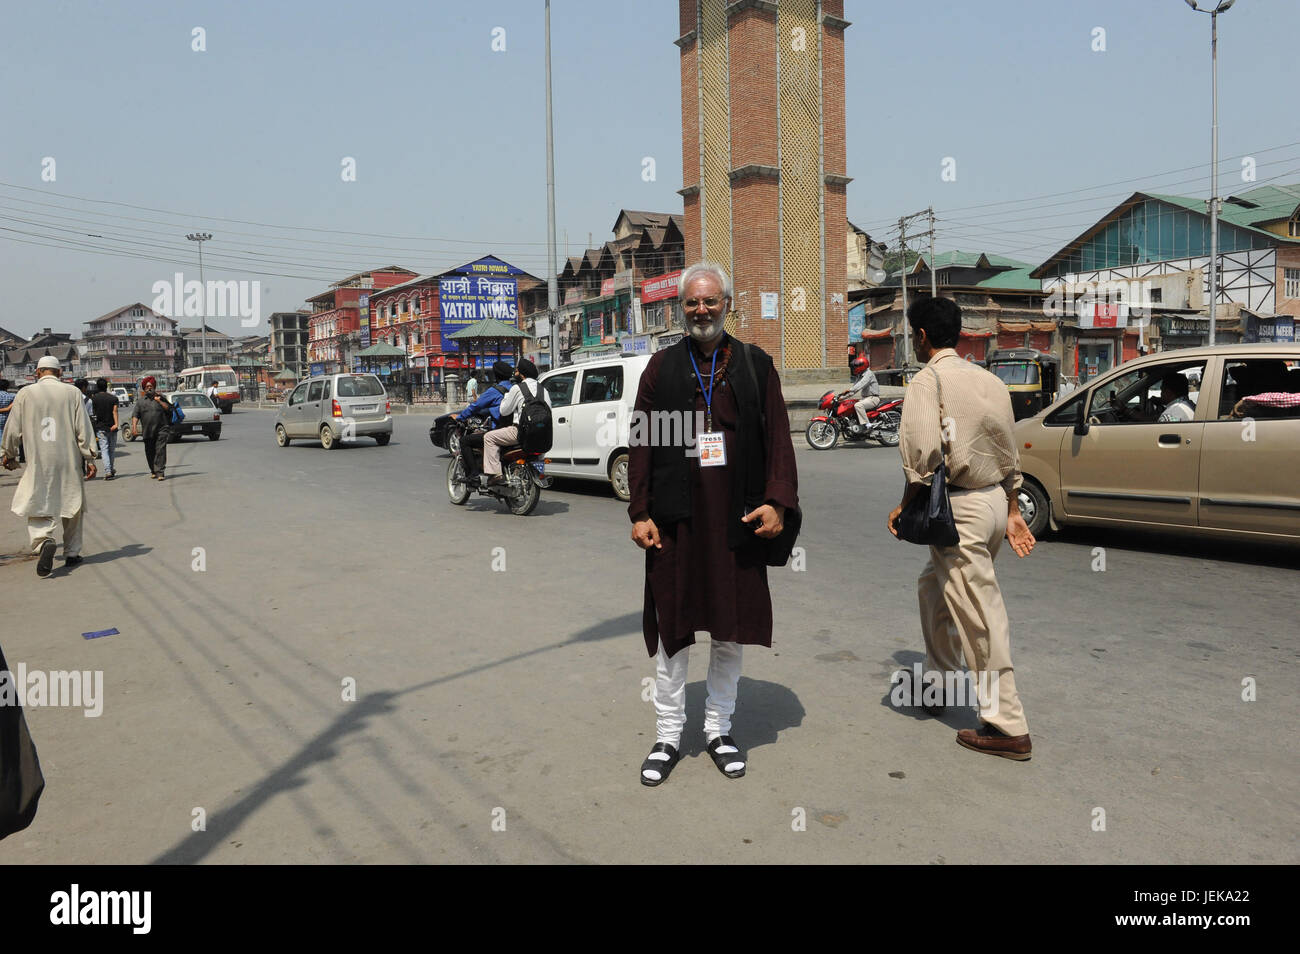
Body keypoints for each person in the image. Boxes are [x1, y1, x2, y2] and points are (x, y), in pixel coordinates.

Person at [628, 261, 798, 786]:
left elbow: (779, 441)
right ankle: (668, 735)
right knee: (673, 632)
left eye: (711, 301)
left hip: (735, 522)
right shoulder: (661, 368)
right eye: (691, 303)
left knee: (730, 631)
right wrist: (640, 511)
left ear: (728, 303)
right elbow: (640, 443)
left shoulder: (755, 365)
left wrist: (776, 501)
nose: (701, 310)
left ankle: (720, 728)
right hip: (677, 526)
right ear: (680, 308)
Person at [888, 296, 1035, 761]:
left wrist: (903, 505)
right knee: (935, 589)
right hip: (993, 504)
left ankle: (1007, 724)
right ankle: (936, 682)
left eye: (914, 334)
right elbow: (1011, 451)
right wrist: (1012, 510)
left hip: (960, 512)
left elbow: (923, 455)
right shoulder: (990, 380)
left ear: (923, 337)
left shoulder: (927, 381)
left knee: (978, 611)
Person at [0, 355, 97, 577]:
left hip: (38, 459)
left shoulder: (25, 393)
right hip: (68, 458)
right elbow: (83, 427)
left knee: (38, 502)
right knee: (72, 503)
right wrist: (89, 458)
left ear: (38, 372)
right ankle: (72, 552)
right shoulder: (72, 393)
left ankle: (44, 541)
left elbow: (13, 428)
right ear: (60, 373)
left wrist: (8, 455)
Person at [482, 358, 551, 487]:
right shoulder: (544, 390)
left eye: (517, 371)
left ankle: (495, 474)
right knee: (538, 449)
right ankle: (540, 473)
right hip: (543, 436)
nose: (515, 373)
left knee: (488, 437)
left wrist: (507, 396)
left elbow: (504, 411)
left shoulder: (517, 388)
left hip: (520, 433)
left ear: (521, 374)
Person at [455, 361, 512, 483]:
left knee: (465, 441)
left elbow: (475, 406)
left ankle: (474, 474)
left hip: (499, 430)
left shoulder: (494, 391)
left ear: (496, 376)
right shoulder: (514, 388)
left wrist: (460, 417)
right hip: (513, 430)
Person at [132, 376, 175, 480]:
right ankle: (153, 470)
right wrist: (134, 427)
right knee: (150, 451)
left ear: (154, 387)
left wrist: (159, 401)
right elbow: (135, 415)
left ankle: (160, 472)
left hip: (162, 429)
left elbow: (169, 409)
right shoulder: (140, 402)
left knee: (160, 450)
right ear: (144, 389)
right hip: (147, 431)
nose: (149, 388)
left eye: (151, 386)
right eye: (147, 387)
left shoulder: (161, 398)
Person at [89, 378, 120, 480]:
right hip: (112, 427)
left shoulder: (93, 399)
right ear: (106, 387)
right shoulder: (113, 398)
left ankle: (108, 471)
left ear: (97, 387)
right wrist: (116, 424)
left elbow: (92, 413)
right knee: (111, 450)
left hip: (100, 428)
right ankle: (110, 469)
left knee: (104, 450)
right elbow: (115, 412)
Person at [846, 355, 881, 428]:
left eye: (856, 367)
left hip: (873, 399)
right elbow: (854, 389)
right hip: (865, 399)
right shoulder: (860, 375)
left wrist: (850, 390)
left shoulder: (869, 374)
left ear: (862, 366)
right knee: (850, 404)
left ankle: (866, 424)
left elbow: (860, 385)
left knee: (858, 405)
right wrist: (841, 397)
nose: (854, 368)